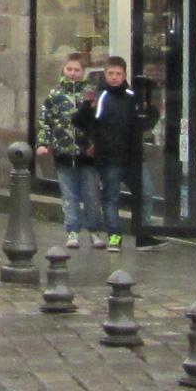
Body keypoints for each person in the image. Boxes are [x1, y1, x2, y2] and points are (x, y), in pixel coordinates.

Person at [78, 56, 155, 251]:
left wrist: (151, 111)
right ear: (105, 74)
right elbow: (87, 122)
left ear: (124, 75)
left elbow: (143, 122)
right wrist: (96, 142)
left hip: (132, 156)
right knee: (111, 197)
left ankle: (143, 234)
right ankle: (114, 236)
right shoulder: (101, 97)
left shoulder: (132, 96)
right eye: (110, 73)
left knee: (145, 192)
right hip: (109, 157)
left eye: (118, 73)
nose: (114, 77)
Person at [36, 49, 103, 249]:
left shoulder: (91, 95)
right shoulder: (55, 95)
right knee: (69, 195)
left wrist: (98, 144)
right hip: (64, 153)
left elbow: (100, 122)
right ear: (63, 70)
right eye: (69, 69)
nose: (73, 73)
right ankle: (72, 230)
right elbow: (45, 121)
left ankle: (94, 230)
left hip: (88, 154)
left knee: (91, 195)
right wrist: (42, 143)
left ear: (83, 72)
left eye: (77, 70)